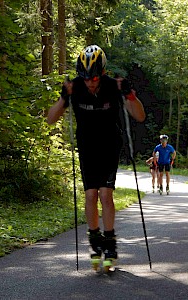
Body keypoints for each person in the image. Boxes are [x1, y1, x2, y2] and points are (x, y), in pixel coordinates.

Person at [47, 45, 145, 270]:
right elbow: (51, 119)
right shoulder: (75, 87)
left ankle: (109, 243)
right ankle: (94, 241)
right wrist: (64, 98)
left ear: (102, 72)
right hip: (87, 148)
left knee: (105, 194)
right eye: (86, 78)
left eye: (94, 77)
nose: (90, 82)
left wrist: (129, 94)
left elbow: (139, 116)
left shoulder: (113, 86)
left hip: (110, 145)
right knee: (90, 195)